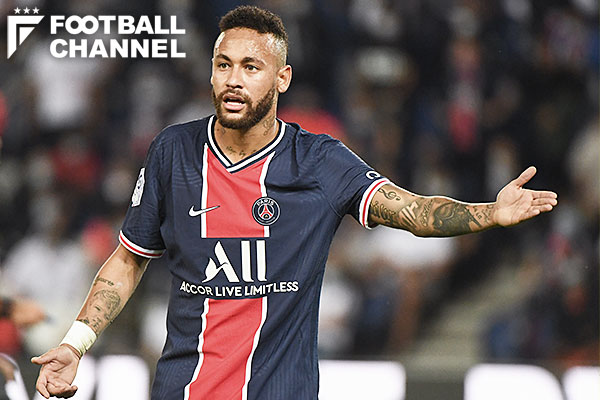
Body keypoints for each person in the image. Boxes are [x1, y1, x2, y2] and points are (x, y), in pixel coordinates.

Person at [31, 5, 558, 400]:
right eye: (223, 64)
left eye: (251, 67)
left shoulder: (320, 161)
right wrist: (75, 344)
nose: (233, 80)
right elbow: (127, 261)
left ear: (282, 78)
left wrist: (490, 213)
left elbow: (412, 211)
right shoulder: (173, 151)